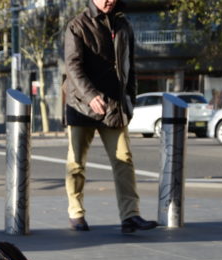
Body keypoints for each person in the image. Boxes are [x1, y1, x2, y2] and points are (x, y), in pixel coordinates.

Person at [63, 0, 158, 234]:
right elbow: (73, 67)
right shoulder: (77, 25)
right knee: (76, 163)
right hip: (82, 105)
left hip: (114, 105)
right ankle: (76, 213)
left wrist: (130, 100)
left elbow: (129, 66)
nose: (109, 0)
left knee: (124, 160)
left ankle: (131, 216)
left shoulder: (123, 24)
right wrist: (91, 96)